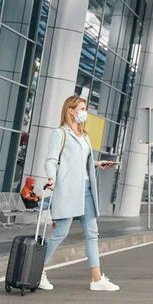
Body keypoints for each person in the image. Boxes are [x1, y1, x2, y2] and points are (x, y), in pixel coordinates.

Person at [41, 95, 118, 292]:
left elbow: (79, 162)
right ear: (71, 110)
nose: (85, 112)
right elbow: (51, 160)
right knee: (60, 233)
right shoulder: (60, 133)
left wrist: (97, 163)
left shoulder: (84, 135)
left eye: (85, 108)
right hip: (68, 189)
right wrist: (51, 178)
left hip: (86, 189)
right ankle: (37, 270)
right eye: (82, 108)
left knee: (92, 233)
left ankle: (96, 279)